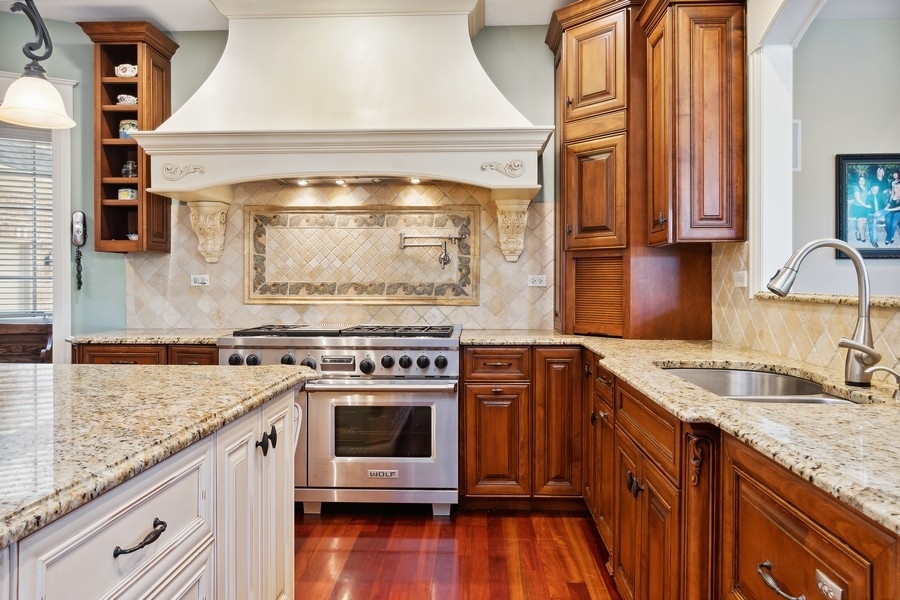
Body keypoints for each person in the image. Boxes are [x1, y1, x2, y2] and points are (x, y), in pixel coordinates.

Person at [849, 175, 873, 244]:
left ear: (864, 181)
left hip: (864, 207)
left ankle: (857, 233)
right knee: (860, 220)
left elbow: (868, 195)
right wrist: (866, 206)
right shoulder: (856, 188)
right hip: (857, 206)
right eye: (860, 180)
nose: (861, 181)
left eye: (862, 180)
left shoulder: (865, 188)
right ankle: (862, 234)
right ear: (858, 181)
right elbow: (858, 200)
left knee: (864, 221)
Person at [883, 179, 900, 246]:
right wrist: (887, 207)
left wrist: (890, 210)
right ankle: (891, 237)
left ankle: (888, 238)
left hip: (898, 212)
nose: (895, 189)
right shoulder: (891, 195)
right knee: (887, 222)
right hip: (890, 211)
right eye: (894, 187)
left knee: (894, 224)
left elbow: (899, 207)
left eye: (896, 187)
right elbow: (889, 203)